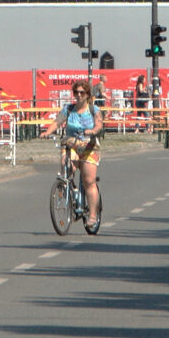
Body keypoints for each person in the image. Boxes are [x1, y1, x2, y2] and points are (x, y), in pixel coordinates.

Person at [60, 79, 103, 229]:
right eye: (76, 92)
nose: (78, 95)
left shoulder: (94, 110)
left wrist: (92, 131)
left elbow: (98, 124)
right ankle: (74, 194)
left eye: (82, 93)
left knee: (89, 181)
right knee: (66, 171)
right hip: (71, 145)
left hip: (89, 147)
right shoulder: (69, 109)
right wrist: (47, 131)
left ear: (87, 94)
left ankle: (92, 215)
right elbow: (56, 122)